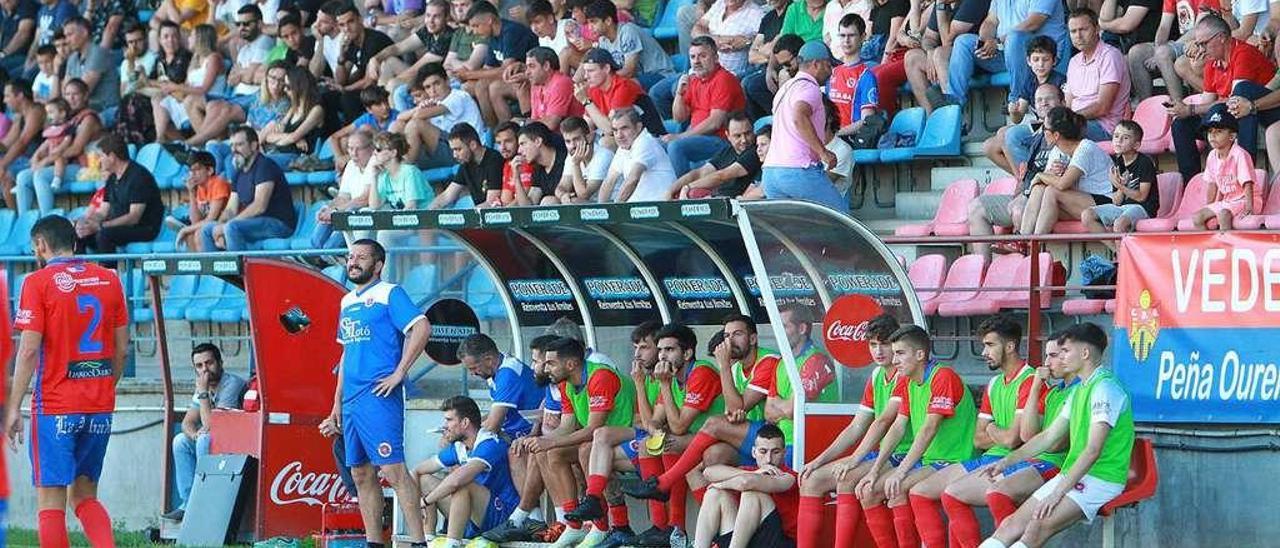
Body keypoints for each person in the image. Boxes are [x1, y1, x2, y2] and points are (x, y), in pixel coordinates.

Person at [5, 214, 127, 548]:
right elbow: (121, 348)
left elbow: (29, 351)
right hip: (99, 405)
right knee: (85, 496)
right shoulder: (109, 279)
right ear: (74, 243)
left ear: (41, 245)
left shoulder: (37, 282)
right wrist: (103, 389)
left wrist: (13, 407)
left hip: (55, 406)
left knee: (51, 502)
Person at [980, 323, 1134, 548]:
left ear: (1084, 353)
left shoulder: (1105, 389)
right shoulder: (1080, 389)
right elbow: (1047, 437)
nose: (1060, 357)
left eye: (1065, 351)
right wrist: (1007, 461)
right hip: (1073, 474)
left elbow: (1093, 451)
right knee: (1010, 525)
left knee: (1037, 526)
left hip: (1101, 478)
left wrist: (1057, 493)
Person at [331, 238, 432, 547]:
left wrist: (399, 372)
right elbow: (346, 355)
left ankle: (418, 542)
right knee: (360, 473)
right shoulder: (346, 302)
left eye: (361, 257)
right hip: (351, 400)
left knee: (392, 469)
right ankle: (374, 543)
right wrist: (336, 403)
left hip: (379, 395)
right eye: (350, 257)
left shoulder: (390, 293)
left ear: (377, 265)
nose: (353, 262)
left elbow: (422, 326)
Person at [623, 314, 785, 503]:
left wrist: (723, 365)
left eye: (737, 334)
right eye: (726, 336)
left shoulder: (766, 361)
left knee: (704, 428)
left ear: (753, 339)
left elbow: (683, 426)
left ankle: (663, 484)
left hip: (771, 438)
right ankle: (686, 529)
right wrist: (656, 428)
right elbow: (652, 422)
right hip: (741, 436)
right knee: (708, 456)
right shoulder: (735, 369)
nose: (729, 341)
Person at [906, 315, 1034, 548]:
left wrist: (993, 428)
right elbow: (979, 438)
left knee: (952, 494)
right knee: (920, 493)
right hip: (989, 456)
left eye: (990, 345)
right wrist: (999, 434)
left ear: (1010, 346)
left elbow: (1013, 439)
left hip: (1017, 460)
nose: (984, 352)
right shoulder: (995, 383)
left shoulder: (1030, 380)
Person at [855, 325, 977, 548]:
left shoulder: (943, 376)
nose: (895, 360)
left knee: (899, 486)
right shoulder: (907, 381)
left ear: (920, 355)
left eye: (900, 353)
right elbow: (897, 427)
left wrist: (900, 472)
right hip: (929, 461)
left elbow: (929, 428)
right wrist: (874, 471)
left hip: (955, 459)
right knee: (869, 491)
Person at [796, 313, 904, 548]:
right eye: (873, 344)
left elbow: (883, 421)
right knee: (811, 480)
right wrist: (818, 460)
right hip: (884, 454)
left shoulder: (904, 374)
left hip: (905, 454)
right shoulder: (877, 375)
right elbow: (856, 426)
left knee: (846, 480)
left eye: (884, 343)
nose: (879, 351)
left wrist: (854, 460)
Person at [528, 336, 636, 548]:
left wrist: (552, 442)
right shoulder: (565, 384)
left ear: (571, 364)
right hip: (602, 439)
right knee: (552, 453)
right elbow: (566, 426)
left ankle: (602, 526)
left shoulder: (600, 376)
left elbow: (593, 428)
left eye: (550, 363)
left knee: (586, 449)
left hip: (628, 435)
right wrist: (541, 440)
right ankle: (574, 525)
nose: (545, 367)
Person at [481, 334, 568, 544]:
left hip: (572, 442)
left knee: (543, 452)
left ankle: (559, 520)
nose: (534, 366)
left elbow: (571, 425)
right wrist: (532, 435)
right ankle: (535, 520)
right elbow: (543, 415)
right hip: (551, 439)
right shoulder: (550, 384)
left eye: (538, 361)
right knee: (519, 450)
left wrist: (544, 439)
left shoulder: (565, 384)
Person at [1167, 14, 1275, 182]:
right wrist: (1185, 111)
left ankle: (1245, 174)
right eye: (1198, 44)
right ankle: (1192, 184)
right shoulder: (1212, 62)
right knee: (1182, 124)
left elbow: (1235, 100)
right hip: (1235, 114)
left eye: (1204, 43)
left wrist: (1190, 109)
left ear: (1222, 38)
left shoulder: (1243, 53)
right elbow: (1207, 104)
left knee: (1240, 91)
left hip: (1266, 111)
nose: (1201, 49)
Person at [969, 83, 1065, 259]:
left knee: (1019, 210)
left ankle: (1029, 270)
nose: (1043, 103)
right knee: (977, 207)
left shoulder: (1067, 133)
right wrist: (1020, 191)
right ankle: (983, 273)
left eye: (1049, 99)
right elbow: (1025, 175)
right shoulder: (1034, 137)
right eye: (1039, 100)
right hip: (1026, 195)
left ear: (1063, 102)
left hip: (1046, 200)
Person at [415, 396, 521, 546]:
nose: (444, 426)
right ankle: (428, 541)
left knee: (463, 485)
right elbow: (418, 471)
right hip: (471, 513)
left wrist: (425, 501)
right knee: (424, 480)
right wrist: (414, 501)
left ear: (465, 422)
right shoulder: (459, 447)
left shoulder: (490, 443)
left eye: (449, 420)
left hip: (500, 516)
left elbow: (457, 481)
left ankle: (452, 544)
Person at [164, 343, 248, 522]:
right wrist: (194, 434)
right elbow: (188, 422)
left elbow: (213, 426)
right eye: (199, 366)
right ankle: (188, 504)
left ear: (220, 362)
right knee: (180, 440)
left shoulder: (231, 384)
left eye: (209, 363)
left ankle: (204, 499)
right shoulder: (203, 386)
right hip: (216, 444)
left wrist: (202, 393)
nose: (205, 370)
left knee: (205, 439)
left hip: (238, 448)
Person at [761, 40, 847, 213]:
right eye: (829, 65)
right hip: (798, 170)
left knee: (792, 234)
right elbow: (799, 116)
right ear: (816, 64)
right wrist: (823, 152)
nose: (831, 71)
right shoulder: (809, 87)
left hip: (771, 173)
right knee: (842, 221)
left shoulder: (785, 89)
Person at [693, 423, 798, 548]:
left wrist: (722, 483)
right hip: (748, 540)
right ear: (754, 452)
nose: (769, 459)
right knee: (714, 494)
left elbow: (747, 483)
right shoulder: (751, 472)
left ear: (784, 453)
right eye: (763, 452)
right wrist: (752, 472)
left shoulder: (789, 477)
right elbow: (708, 472)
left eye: (775, 452)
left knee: (752, 493)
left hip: (777, 542)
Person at [199, 125, 298, 251]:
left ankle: (241, 270)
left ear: (253, 146)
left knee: (232, 227)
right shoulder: (238, 171)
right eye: (232, 145)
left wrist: (226, 227)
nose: (234, 150)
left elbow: (259, 206)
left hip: (278, 224)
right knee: (208, 230)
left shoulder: (264, 166)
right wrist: (219, 227)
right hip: (254, 223)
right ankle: (215, 270)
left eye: (239, 145)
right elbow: (230, 209)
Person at [1018, 107, 1114, 236]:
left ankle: (1035, 242)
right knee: (1040, 189)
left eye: (1044, 128)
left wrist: (1041, 175)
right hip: (1079, 201)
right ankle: (1023, 239)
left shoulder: (1085, 148)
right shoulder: (1057, 150)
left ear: (1056, 135)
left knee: (1052, 191)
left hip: (1106, 202)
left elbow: (1062, 184)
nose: (1042, 132)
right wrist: (1047, 176)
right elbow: (1046, 180)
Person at [661, 36, 747, 176]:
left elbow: (715, 122)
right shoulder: (694, 80)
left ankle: (681, 194)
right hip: (700, 136)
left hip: (722, 139)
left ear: (715, 58)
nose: (696, 61)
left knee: (676, 146)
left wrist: (681, 136)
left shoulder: (723, 79)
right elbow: (679, 118)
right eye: (693, 57)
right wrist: (679, 94)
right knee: (656, 142)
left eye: (702, 56)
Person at [15, 78, 101, 216]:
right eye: (67, 94)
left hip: (87, 167)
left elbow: (75, 149)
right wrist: (37, 156)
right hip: (65, 165)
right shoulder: (68, 119)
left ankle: (47, 220)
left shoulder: (88, 118)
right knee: (23, 177)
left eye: (75, 94)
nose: (70, 98)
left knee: (40, 175)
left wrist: (46, 161)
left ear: (85, 95)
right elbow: (49, 143)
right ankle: (25, 221)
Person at [73, 134, 164, 256]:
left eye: (101, 156)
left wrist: (101, 226)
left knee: (104, 235)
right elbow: (102, 212)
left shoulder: (139, 176)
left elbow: (134, 217)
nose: (99, 161)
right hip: (118, 226)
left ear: (112, 157)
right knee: (79, 233)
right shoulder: (112, 177)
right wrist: (86, 222)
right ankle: (80, 272)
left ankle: (109, 273)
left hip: (143, 228)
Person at [461, 0, 539, 127]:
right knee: (472, 86)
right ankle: (490, 131)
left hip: (529, 78)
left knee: (494, 88)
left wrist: (469, 74)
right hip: (513, 79)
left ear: (490, 20)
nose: (474, 31)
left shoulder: (511, 31)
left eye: (476, 26)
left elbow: (506, 70)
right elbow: (487, 69)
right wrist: (468, 76)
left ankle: (507, 129)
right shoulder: (492, 37)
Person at [1082, 120, 1159, 245]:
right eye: (1116, 136)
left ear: (1136, 145)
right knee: (1087, 215)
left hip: (1143, 208)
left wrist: (1119, 185)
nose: (1119, 140)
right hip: (1122, 208)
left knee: (1119, 224)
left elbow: (1141, 197)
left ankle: (1123, 260)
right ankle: (1116, 253)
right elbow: (1116, 201)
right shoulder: (1118, 163)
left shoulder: (1145, 162)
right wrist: (1119, 187)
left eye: (1125, 138)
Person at [1062, 9, 1131, 144]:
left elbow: (1102, 107)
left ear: (1097, 29)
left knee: (1059, 132)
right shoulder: (1073, 62)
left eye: (1083, 29)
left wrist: (1069, 119)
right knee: (1013, 135)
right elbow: (1069, 104)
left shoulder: (1110, 56)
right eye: (1073, 31)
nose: (1078, 36)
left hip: (1104, 127)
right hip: (1077, 122)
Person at [396, 62, 484, 169]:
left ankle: (404, 170)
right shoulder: (435, 103)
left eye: (436, 84)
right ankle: (395, 164)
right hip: (447, 149)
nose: (433, 91)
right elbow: (399, 117)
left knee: (415, 125)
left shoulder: (458, 96)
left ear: (447, 81)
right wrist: (419, 108)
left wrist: (421, 109)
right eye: (428, 87)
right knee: (398, 125)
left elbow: (418, 116)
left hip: (466, 149)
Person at [667, 112, 759, 199]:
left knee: (693, 193)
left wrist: (688, 187)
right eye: (737, 136)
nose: (744, 140)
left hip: (735, 205)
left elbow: (722, 176)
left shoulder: (755, 151)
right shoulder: (728, 151)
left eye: (747, 133)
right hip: (717, 198)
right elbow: (700, 173)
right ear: (728, 135)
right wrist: (671, 190)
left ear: (754, 131)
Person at [1192, 104, 1255, 230]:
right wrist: (1209, 207)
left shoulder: (1239, 154)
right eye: (1210, 132)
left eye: (1219, 131)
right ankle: (1209, 247)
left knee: (1223, 215)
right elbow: (1212, 184)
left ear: (1232, 136)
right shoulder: (1211, 156)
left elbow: (1247, 183)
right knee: (1197, 217)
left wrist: (1249, 207)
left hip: (1244, 199)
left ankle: (1226, 248)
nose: (1212, 136)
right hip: (1228, 201)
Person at [584, 0, 673, 89]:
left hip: (659, 74)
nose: (590, 27)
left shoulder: (628, 31)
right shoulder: (603, 40)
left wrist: (601, 79)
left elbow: (629, 70)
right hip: (640, 77)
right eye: (588, 23)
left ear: (608, 21)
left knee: (623, 86)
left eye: (594, 22)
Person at [598, 107, 676, 203]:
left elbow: (632, 180)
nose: (619, 135)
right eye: (615, 130)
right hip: (638, 209)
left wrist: (615, 210)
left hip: (658, 209)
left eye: (624, 128)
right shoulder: (624, 147)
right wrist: (600, 210)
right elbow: (609, 181)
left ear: (638, 127)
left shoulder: (645, 142)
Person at [312, 130, 375, 249]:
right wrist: (328, 209)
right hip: (348, 210)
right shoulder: (351, 164)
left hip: (365, 215)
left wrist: (335, 211)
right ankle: (330, 261)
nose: (354, 153)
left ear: (371, 148)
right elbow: (343, 196)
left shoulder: (375, 164)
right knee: (316, 241)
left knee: (330, 246)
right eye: (350, 149)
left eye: (359, 149)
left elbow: (364, 199)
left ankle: (341, 260)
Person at [334, 3, 395, 121]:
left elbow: (369, 80)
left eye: (350, 22)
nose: (346, 28)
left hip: (384, 85)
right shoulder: (351, 43)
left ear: (360, 20)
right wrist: (341, 56)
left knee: (348, 97)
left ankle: (360, 131)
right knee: (329, 96)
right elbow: (341, 80)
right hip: (371, 87)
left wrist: (345, 89)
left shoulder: (374, 41)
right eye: (342, 25)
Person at [574, 47, 645, 139]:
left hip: (647, 136)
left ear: (607, 68)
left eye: (591, 71)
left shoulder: (623, 87)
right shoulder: (594, 88)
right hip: (625, 138)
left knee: (607, 142)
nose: (586, 76)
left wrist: (585, 101)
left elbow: (612, 129)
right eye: (585, 71)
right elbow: (588, 124)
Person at [430, 123, 502, 208]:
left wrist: (468, 217)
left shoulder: (494, 160)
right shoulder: (466, 163)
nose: (454, 155)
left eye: (458, 149)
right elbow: (447, 195)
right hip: (478, 215)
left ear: (473, 145)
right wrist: (429, 212)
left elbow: (492, 203)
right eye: (453, 150)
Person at [828, 14, 879, 137]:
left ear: (863, 37)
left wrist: (837, 134)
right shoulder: (832, 73)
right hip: (829, 139)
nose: (846, 40)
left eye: (851, 35)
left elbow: (866, 120)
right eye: (842, 35)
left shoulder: (866, 76)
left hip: (850, 140)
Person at [175, 150, 232, 251]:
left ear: (209, 170)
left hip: (228, 223)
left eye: (196, 170)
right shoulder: (200, 188)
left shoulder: (218, 184)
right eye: (191, 171)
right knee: (191, 235)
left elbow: (211, 219)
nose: (192, 174)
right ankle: (196, 266)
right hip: (212, 227)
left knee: (198, 233)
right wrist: (191, 192)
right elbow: (195, 221)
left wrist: (184, 230)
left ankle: (207, 265)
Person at [0, 78, 45, 208]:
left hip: (38, 160)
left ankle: (18, 218)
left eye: (8, 96)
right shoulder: (19, 117)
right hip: (24, 160)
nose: (5, 100)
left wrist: (3, 164)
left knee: (8, 176)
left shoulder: (35, 111)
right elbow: (6, 144)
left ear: (20, 96)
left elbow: (23, 141)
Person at [61, 16, 118, 112]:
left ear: (84, 33)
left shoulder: (98, 53)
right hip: (84, 110)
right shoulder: (72, 58)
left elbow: (82, 91)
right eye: (66, 36)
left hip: (105, 110)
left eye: (70, 35)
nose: (67, 40)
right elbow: (65, 91)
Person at [554, 115, 614, 203]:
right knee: (549, 200)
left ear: (589, 137)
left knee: (573, 202)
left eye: (576, 139)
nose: (572, 145)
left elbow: (583, 194)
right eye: (568, 141)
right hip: (590, 206)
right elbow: (562, 186)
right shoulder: (572, 155)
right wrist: (563, 195)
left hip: (611, 205)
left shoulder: (603, 155)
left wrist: (575, 164)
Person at [525, 46, 583, 131]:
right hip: (547, 136)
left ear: (546, 66)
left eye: (532, 66)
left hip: (571, 137)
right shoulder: (536, 85)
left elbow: (551, 124)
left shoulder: (561, 83)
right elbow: (534, 120)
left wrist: (523, 123)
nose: (527, 72)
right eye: (527, 67)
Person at [510, 122, 566, 205]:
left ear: (538, 141)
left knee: (549, 201)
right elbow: (528, 206)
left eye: (523, 144)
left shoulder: (565, 159)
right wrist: (516, 177)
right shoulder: (538, 169)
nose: (519, 151)